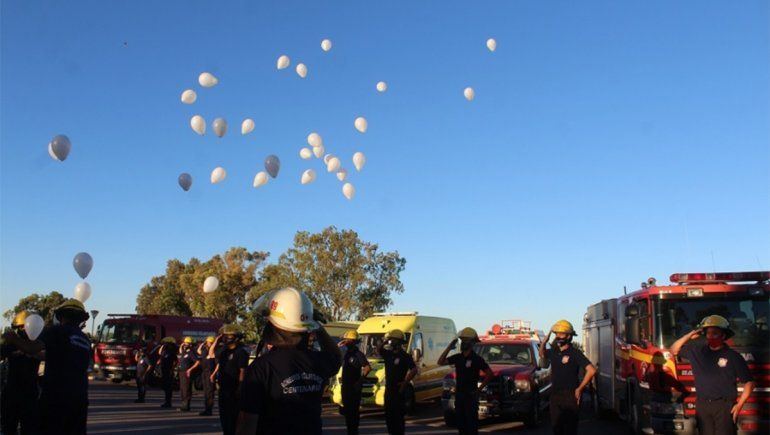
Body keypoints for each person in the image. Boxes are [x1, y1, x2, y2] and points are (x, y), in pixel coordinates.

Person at [235, 287, 341, 435]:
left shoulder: (262, 367)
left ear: (273, 326)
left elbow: (247, 423)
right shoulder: (318, 360)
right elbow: (336, 357)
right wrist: (316, 325)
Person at [2, 299, 92, 435]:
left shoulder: (57, 331)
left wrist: (13, 339)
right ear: (80, 319)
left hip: (56, 399)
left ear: (61, 316)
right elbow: (57, 357)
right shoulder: (85, 340)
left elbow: (32, 347)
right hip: (79, 399)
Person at [670, 315, 755, 435]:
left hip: (724, 406)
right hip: (703, 406)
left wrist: (740, 405)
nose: (710, 336)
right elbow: (673, 350)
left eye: (715, 333)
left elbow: (749, 383)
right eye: (708, 333)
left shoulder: (733, 356)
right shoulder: (697, 352)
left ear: (723, 335)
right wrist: (690, 335)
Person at [538, 320, 596, 435]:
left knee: (569, 430)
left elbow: (591, 370)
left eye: (561, 334)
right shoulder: (553, 352)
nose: (558, 336)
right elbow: (542, 354)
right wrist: (544, 342)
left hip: (570, 396)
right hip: (555, 395)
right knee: (557, 429)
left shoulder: (575, 353)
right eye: (556, 334)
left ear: (569, 336)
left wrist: (580, 389)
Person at [438, 327, 494, 435]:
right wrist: (450, 346)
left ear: (472, 343)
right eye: (462, 340)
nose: (463, 343)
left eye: (466, 340)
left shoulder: (476, 359)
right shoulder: (458, 357)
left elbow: (490, 374)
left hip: (471, 397)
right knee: (461, 426)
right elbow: (440, 362)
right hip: (459, 396)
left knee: (471, 427)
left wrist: (479, 390)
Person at [0, 311, 41, 435]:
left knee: (28, 428)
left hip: (28, 394)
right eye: (20, 327)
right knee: (9, 427)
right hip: (13, 392)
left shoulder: (37, 344)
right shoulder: (11, 345)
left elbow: (42, 354)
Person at [210, 324, 249, 435]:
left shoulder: (241, 352)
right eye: (224, 336)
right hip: (223, 388)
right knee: (224, 416)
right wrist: (217, 340)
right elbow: (211, 354)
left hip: (234, 389)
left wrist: (240, 387)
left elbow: (243, 371)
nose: (226, 338)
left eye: (229, 336)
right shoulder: (223, 351)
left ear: (236, 338)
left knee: (233, 417)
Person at [378, 329, 418, 435]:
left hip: (398, 390)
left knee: (398, 418)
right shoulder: (388, 354)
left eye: (394, 340)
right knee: (389, 417)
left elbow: (414, 369)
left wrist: (405, 382)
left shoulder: (405, 356)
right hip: (389, 389)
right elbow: (379, 349)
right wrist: (386, 340)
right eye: (391, 340)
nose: (392, 342)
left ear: (400, 342)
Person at [339, 330, 371, 435]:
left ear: (353, 341)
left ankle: (354, 431)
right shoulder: (345, 353)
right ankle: (350, 430)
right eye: (345, 340)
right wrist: (338, 346)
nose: (345, 342)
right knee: (347, 411)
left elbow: (367, 367)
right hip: (346, 387)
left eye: (347, 340)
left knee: (353, 411)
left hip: (354, 388)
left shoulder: (358, 354)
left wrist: (360, 381)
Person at [192, 335, 216, 416]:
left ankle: (209, 409)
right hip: (204, 372)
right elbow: (199, 351)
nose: (208, 344)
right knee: (206, 391)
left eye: (210, 342)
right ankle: (206, 408)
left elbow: (218, 364)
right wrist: (203, 344)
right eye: (208, 342)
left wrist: (213, 374)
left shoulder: (214, 351)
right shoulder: (204, 350)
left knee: (209, 391)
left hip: (210, 372)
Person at [155, 336, 178, 408]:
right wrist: (162, 346)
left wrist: (172, 368)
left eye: (167, 344)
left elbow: (176, 361)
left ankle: (168, 402)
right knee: (164, 387)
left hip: (169, 371)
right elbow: (159, 352)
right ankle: (166, 401)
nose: (166, 345)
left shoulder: (172, 352)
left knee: (168, 387)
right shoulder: (164, 352)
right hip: (163, 371)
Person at [177, 336, 198, 412]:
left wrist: (190, 369)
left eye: (186, 343)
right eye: (184, 343)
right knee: (182, 389)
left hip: (186, 373)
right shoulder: (185, 351)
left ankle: (186, 406)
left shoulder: (191, 352)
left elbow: (197, 362)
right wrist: (181, 346)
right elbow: (180, 352)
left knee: (186, 389)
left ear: (190, 344)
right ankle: (183, 404)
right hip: (181, 372)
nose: (185, 344)